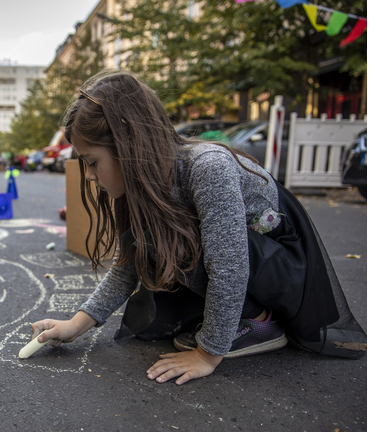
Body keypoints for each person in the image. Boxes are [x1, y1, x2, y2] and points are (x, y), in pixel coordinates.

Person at [30, 70, 366, 386]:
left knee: (176, 240)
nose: (88, 175)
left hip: (282, 269)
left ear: (128, 146)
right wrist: (76, 325)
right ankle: (232, 321)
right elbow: (126, 265)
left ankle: (260, 322)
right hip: (250, 265)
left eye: (92, 162)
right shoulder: (145, 185)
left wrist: (207, 354)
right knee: (154, 239)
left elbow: (230, 266)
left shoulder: (207, 168)